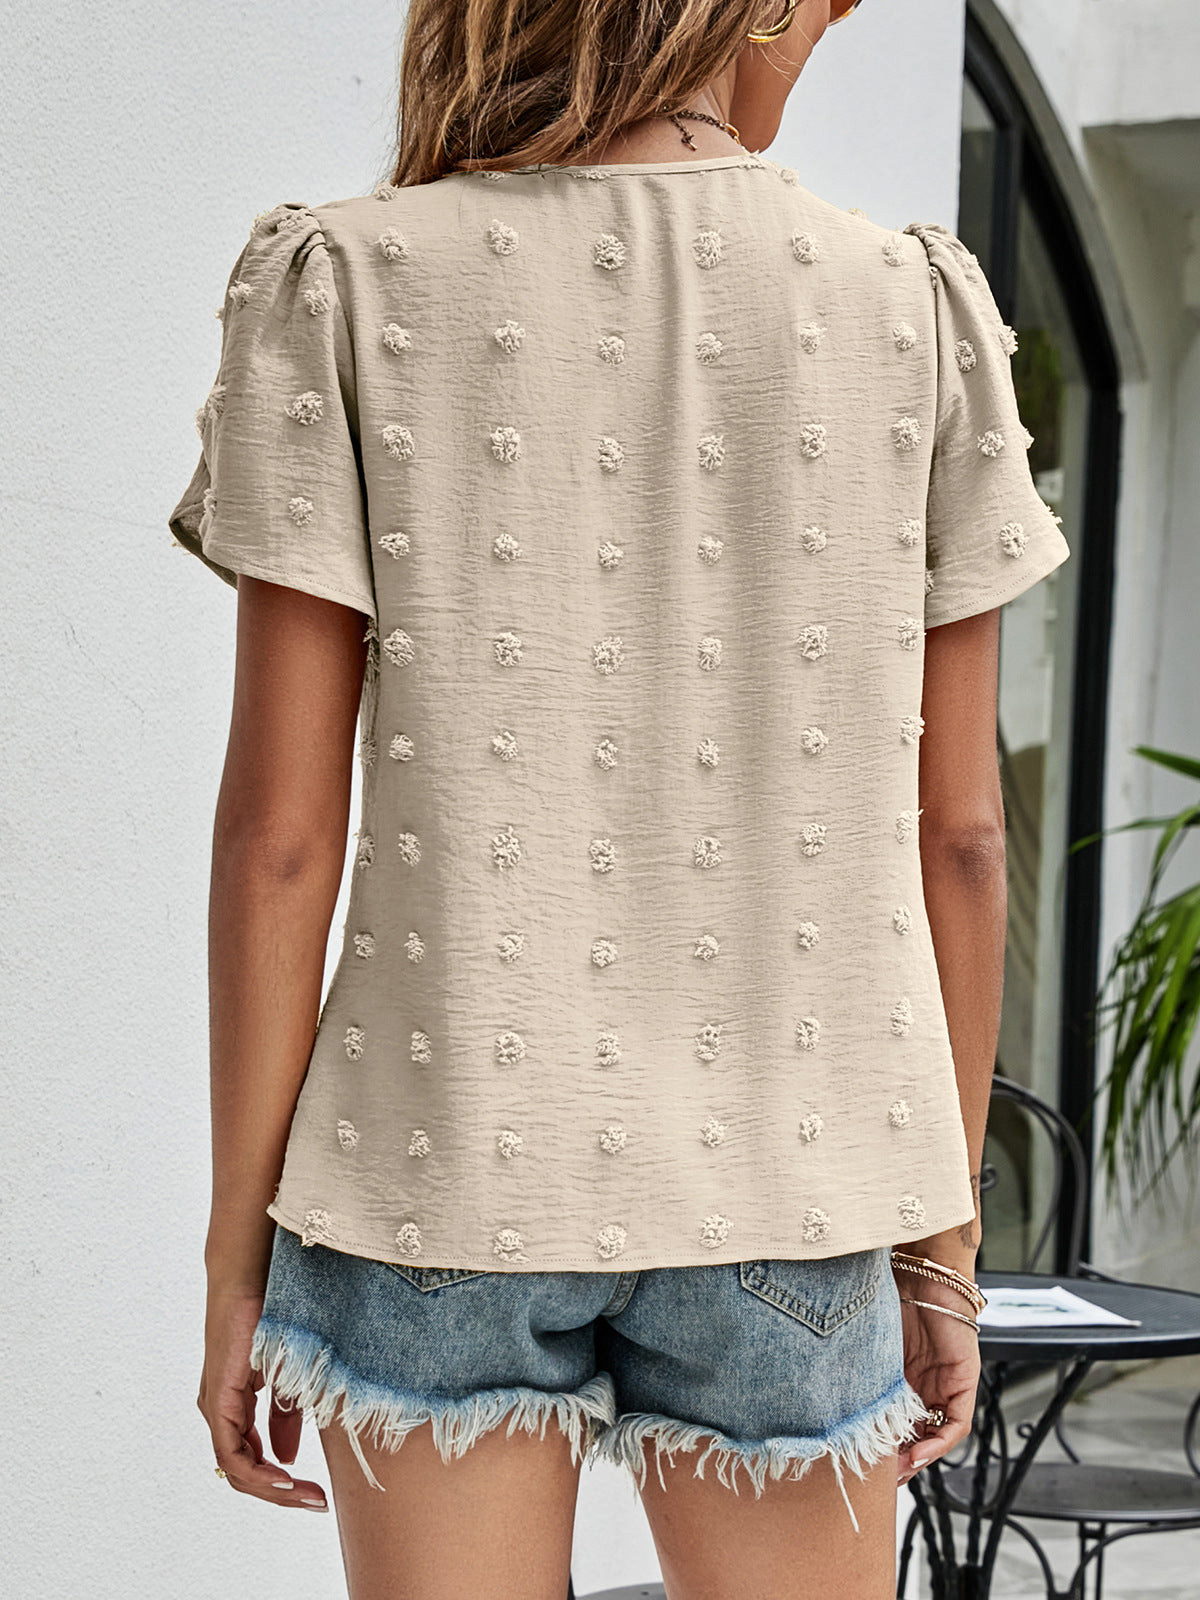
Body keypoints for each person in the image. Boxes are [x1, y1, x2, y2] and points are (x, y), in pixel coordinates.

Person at [169, 1, 1071, 1594]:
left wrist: (239, 1254)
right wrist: (942, 1248)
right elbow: (964, 840)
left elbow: (279, 843)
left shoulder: (349, 278)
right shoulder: (909, 306)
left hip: (436, 1175)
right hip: (795, 1190)